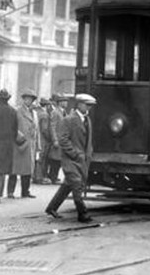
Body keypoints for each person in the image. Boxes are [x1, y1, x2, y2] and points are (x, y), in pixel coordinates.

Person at [45, 94, 97, 223]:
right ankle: (82, 213)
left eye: (90, 106)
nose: (88, 108)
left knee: (68, 185)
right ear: (79, 104)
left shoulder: (87, 120)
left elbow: (87, 140)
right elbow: (63, 139)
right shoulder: (68, 120)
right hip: (71, 160)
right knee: (77, 185)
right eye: (87, 105)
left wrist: (88, 154)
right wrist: (74, 154)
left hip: (82, 160)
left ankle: (51, 208)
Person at [8, 89, 39, 199]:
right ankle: (10, 192)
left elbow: (37, 130)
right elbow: (12, 126)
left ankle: (25, 191)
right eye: (26, 98)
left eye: (30, 99)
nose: (28, 101)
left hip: (30, 145)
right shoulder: (17, 111)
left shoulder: (34, 113)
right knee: (15, 169)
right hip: (19, 144)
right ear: (23, 99)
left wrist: (38, 145)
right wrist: (18, 137)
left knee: (28, 170)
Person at [0, 89, 18, 203]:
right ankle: (0, 194)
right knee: (2, 171)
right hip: (8, 145)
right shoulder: (13, 111)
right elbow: (15, 130)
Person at [47, 94, 69, 184]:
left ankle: (54, 176)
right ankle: (53, 177)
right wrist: (55, 140)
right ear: (60, 103)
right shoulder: (55, 113)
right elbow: (52, 126)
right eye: (64, 101)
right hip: (58, 140)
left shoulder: (64, 112)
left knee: (59, 160)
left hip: (63, 140)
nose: (66, 103)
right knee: (55, 161)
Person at [33, 98, 52, 185]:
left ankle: (35, 176)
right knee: (41, 159)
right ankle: (39, 177)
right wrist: (49, 138)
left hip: (36, 138)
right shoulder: (44, 115)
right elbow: (44, 129)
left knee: (37, 159)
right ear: (47, 105)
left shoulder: (36, 112)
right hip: (43, 140)